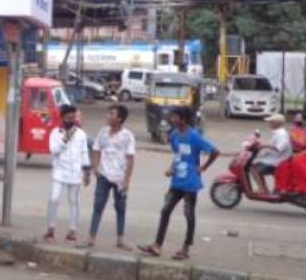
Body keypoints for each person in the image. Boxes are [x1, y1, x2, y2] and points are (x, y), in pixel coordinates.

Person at [139, 106, 219, 261]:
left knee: (188, 214)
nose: (172, 119)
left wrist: (203, 167)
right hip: (177, 181)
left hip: (190, 182)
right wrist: (171, 168)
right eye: (172, 116)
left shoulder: (194, 136)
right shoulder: (174, 135)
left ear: (183, 119)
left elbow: (215, 152)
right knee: (165, 210)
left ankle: (186, 248)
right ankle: (157, 245)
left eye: (175, 117)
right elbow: (178, 155)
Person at [83, 104, 136, 250]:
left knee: (120, 208)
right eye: (108, 113)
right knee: (98, 206)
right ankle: (91, 238)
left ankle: (120, 239)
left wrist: (126, 180)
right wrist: (95, 167)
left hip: (119, 178)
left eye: (112, 114)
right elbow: (96, 149)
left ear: (119, 119)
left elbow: (130, 158)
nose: (108, 116)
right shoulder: (103, 132)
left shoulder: (127, 136)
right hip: (104, 176)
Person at [44, 104, 91, 243]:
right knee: (54, 199)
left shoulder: (81, 134)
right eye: (68, 118)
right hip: (59, 172)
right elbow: (53, 150)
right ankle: (50, 229)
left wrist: (87, 171)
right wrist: (65, 139)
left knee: (73, 202)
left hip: (75, 173)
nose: (71, 120)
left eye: (73, 117)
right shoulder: (55, 133)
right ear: (63, 118)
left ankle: (72, 231)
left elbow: (84, 153)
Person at [254, 112, 293, 193]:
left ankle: (262, 188)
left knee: (253, 168)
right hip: (274, 158)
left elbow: (280, 147)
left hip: (278, 160)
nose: (269, 123)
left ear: (276, 123)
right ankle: (268, 187)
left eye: (270, 122)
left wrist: (265, 145)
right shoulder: (277, 133)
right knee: (256, 162)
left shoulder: (281, 134)